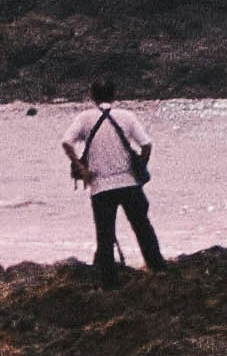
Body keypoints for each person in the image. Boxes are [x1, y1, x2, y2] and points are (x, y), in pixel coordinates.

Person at [66, 81, 159, 273]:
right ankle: (157, 267)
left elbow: (67, 142)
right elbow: (147, 145)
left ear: (92, 96)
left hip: (101, 187)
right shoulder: (127, 116)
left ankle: (108, 280)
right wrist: (139, 166)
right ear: (114, 95)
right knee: (143, 228)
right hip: (129, 183)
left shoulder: (85, 118)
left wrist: (81, 169)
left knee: (105, 235)